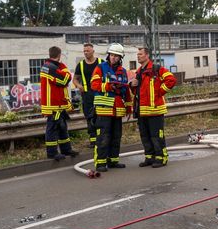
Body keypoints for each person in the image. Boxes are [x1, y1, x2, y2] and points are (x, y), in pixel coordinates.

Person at [130, 47, 176, 168]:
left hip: (155, 110)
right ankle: (149, 157)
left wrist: (159, 92)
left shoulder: (157, 69)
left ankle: (161, 158)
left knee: (157, 136)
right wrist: (132, 85)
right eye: (137, 54)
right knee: (145, 136)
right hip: (142, 110)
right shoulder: (139, 72)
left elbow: (171, 80)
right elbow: (138, 92)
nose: (138, 56)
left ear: (147, 56)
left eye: (140, 54)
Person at [90, 43, 132, 172]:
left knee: (116, 136)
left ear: (120, 58)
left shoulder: (123, 72)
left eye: (117, 56)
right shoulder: (100, 68)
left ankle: (113, 161)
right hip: (104, 109)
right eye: (112, 55)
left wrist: (129, 107)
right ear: (109, 55)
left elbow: (126, 91)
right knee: (103, 137)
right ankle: (101, 163)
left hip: (117, 110)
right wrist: (108, 86)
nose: (114, 58)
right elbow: (94, 84)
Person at [40, 46, 79, 161]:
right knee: (52, 128)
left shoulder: (49, 66)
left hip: (58, 104)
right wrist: (63, 67)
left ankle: (66, 149)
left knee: (62, 127)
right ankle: (52, 152)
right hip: (53, 105)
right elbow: (65, 79)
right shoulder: (50, 67)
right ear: (59, 55)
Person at [73, 43, 103, 147]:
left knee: (101, 116)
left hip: (99, 94)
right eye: (84, 51)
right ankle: (93, 140)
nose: (86, 53)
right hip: (87, 95)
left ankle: (101, 138)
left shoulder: (100, 62)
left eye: (88, 51)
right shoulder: (81, 65)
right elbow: (75, 79)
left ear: (93, 51)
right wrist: (78, 85)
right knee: (89, 117)